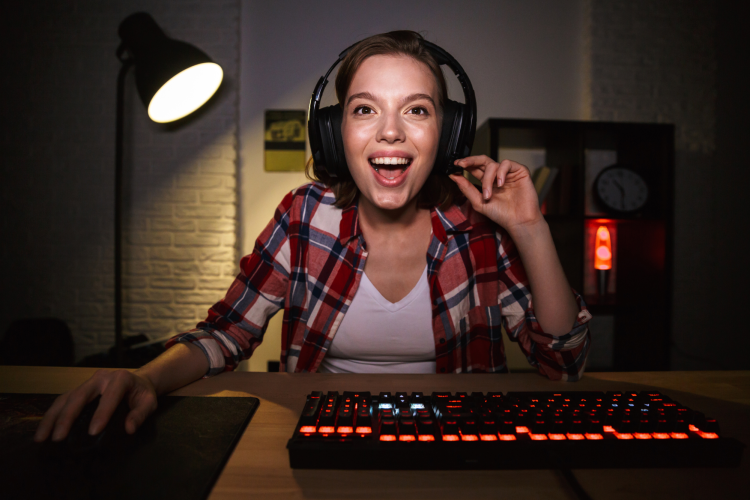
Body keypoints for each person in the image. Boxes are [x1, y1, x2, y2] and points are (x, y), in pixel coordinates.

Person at [35, 30, 591, 443]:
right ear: (334, 133)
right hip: (324, 436)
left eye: (416, 110)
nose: (391, 131)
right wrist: (145, 379)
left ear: (446, 134)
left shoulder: (480, 227)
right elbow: (226, 334)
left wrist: (529, 228)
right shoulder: (305, 217)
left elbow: (562, 364)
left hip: (458, 442)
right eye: (365, 109)